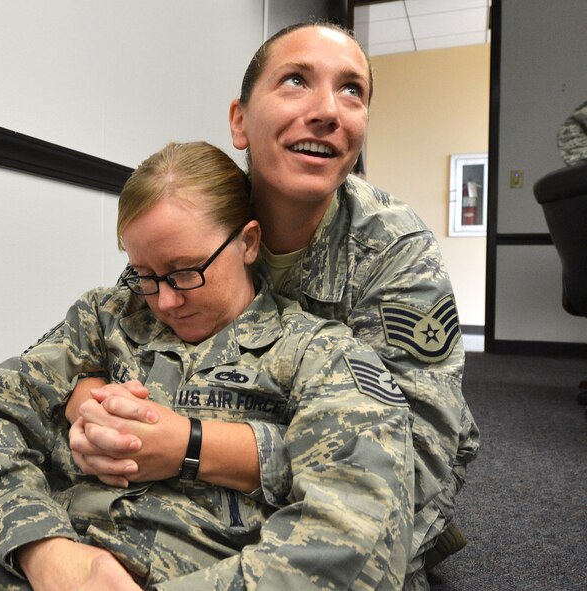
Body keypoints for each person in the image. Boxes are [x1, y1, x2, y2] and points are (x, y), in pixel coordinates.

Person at [65, 22, 479, 591]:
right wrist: (96, 409)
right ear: (240, 121)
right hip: (206, 474)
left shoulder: (395, 252)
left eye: (352, 90)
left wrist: (191, 445)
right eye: (296, 81)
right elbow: (126, 335)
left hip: (351, 492)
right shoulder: (199, 211)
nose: (329, 110)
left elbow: (404, 466)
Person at [0, 141, 415, 590]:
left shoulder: (317, 353)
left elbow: (354, 528)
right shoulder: (107, 318)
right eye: (144, 274)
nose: (164, 300)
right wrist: (44, 552)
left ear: (248, 243)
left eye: (186, 271)